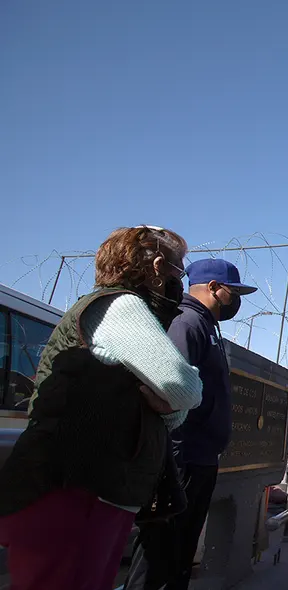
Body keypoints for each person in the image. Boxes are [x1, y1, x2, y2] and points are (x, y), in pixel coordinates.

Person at [0, 226, 203, 590]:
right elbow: (184, 388)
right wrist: (176, 402)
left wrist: (170, 408)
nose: (179, 283)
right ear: (157, 266)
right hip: (73, 494)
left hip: (89, 493)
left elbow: (171, 405)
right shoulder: (120, 305)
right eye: (178, 272)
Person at [126, 258, 258, 589]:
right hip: (182, 458)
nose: (236, 300)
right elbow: (168, 388)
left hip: (200, 457)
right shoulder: (186, 324)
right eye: (233, 291)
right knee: (162, 550)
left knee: (182, 551)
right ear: (214, 288)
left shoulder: (207, 325)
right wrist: (175, 456)